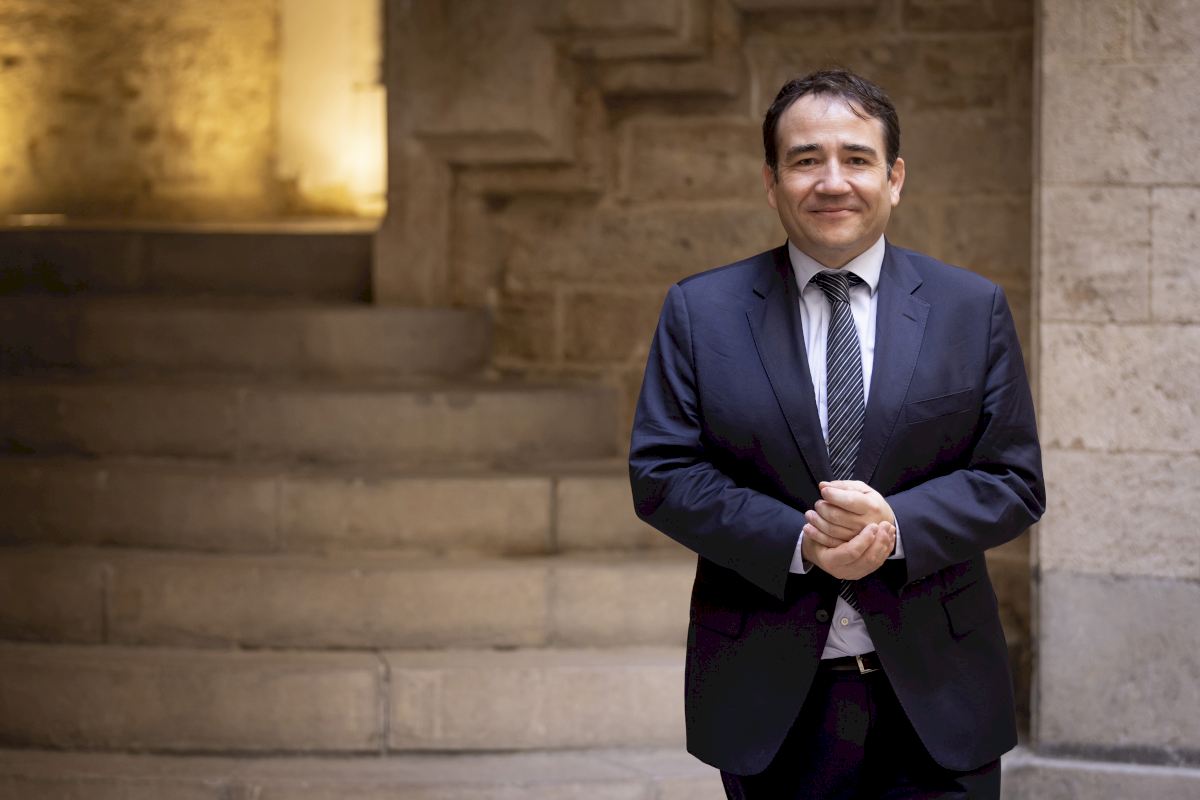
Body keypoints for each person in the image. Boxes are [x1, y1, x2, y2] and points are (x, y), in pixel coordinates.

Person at [628, 68, 1045, 799]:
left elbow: (1013, 480)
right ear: (771, 181)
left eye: (856, 158)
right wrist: (801, 540)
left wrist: (895, 524)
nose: (832, 182)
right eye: (805, 160)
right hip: (770, 698)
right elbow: (663, 474)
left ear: (895, 177)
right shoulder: (701, 311)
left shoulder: (970, 308)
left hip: (941, 694)